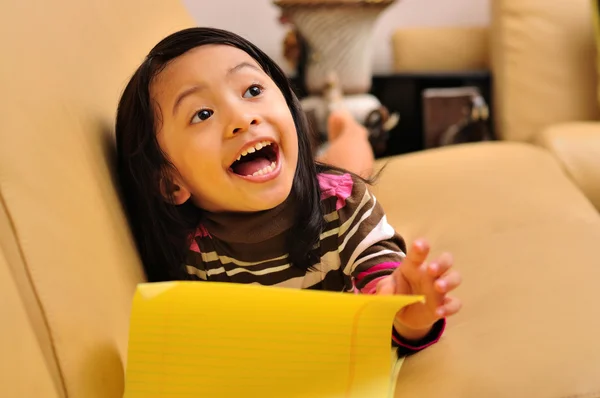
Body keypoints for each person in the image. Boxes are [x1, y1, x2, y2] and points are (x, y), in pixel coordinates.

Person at [115, 27, 461, 356]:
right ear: (170, 183)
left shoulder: (344, 203)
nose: (242, 117)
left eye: (252, 91)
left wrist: (406, 314)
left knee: (349, 163)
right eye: (202, 114)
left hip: (324, 184)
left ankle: (348, 129)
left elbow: (388, 287)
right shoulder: (195, 255)